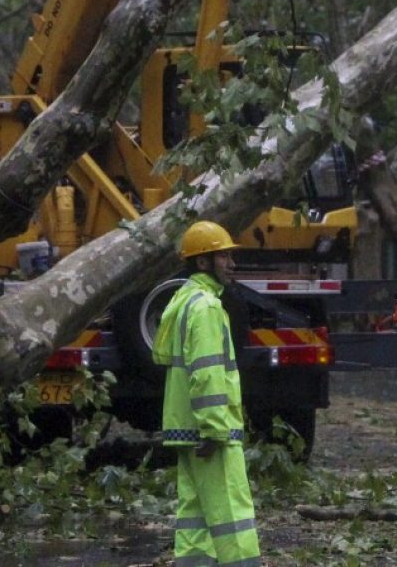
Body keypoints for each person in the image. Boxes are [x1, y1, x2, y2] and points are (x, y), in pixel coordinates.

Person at [152, 220, 261, 567]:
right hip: (210, 431)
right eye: (223, 257)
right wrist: (214, 429)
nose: (231, 264)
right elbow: (207, 374)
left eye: (230, 256)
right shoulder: (207, 308)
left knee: (195, 518)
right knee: (233, 515)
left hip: (186, 429)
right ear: (202, 263)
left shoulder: (184, 301)